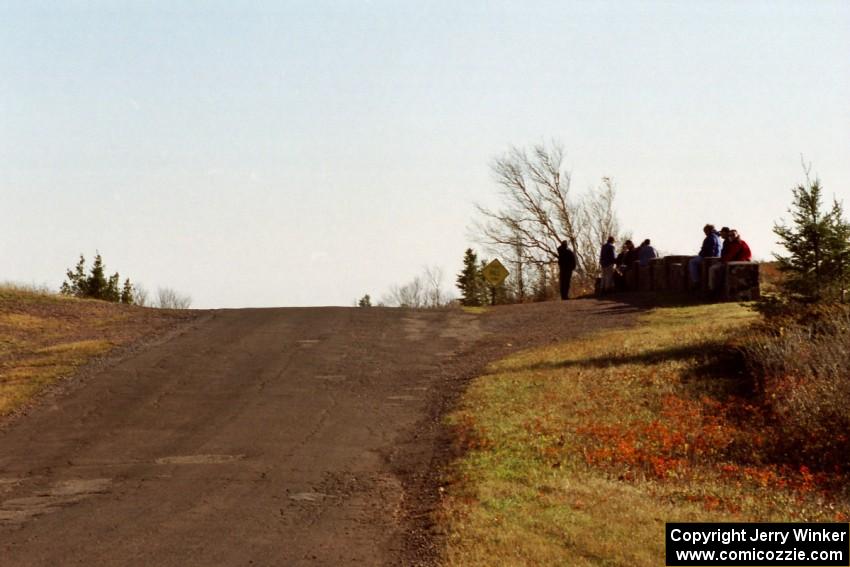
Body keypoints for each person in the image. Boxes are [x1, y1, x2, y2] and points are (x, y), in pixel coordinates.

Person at [688, 224, 721, 289]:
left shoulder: (710, 237)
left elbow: (707, 250)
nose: (705, 233)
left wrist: (701, 254)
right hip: (717, 257)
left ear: (709, 230)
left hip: (708, 257)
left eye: (705, 231)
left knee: (692, 262)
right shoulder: (717, 237)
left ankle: (696, 281)